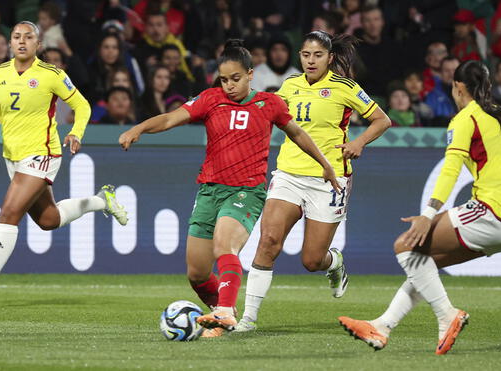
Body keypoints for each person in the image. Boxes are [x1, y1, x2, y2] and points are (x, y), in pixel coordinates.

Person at [119, 39, 339, 338]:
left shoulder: (269, 103)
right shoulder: (210, 99)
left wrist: (325, 164)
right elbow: (171, 118)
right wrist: (139, 128)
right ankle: (225, 312)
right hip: (209, 191)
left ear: (251, 74)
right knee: (196, 273)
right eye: (224, 80)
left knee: (226, 246)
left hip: (246, 191)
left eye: (236, 79)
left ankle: (224, 312)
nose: (229, 86)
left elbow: (297, 133)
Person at [338, 60, 501, 355]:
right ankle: (383, 325)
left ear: (458, 87)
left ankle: (447, 314)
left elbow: (451, 169)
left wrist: (428, 215)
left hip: (493, 210)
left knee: (405, 245)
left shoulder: (467, 117)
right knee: (425, 264)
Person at [0, 21, 128, 308]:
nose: (21, 41)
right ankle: (101, 201)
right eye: (16, 37)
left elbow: (83, 106)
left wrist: (75, 132)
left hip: (42, 153)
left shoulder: (52, 75)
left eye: (28, 37)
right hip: (13, 156)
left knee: (8, 213)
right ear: (10, 42)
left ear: (38, 44)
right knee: (49, 220)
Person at [235, 30, 391, 333]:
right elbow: (267, 114)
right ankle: (248, 319)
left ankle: (333, 263)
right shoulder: (289, 86)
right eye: (306, 55)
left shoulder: (345, 88)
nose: (310, 60)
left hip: (328, 180)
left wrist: (358, 143)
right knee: (268, 242)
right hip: (289, 175)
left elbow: (382, 120)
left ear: (330, 58)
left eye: (318, 55)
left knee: (311, 259)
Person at [425, 56, 460, 127]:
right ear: (440, 73)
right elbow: (428, 122)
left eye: (455, 70)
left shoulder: (472, 94)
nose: (451, 74)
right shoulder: (432, 96)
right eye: (447, 71)